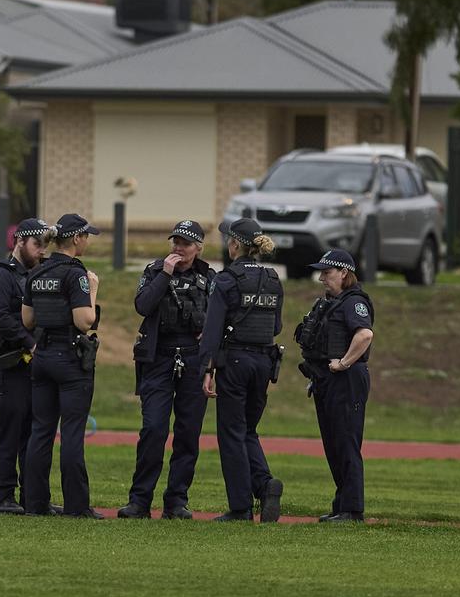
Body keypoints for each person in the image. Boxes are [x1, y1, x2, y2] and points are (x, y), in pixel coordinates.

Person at [117, 220, 214, 520]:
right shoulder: (153, 271)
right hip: (158, 358)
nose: (178, 248)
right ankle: (139, 500)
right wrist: (165, 274)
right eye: (175, 242)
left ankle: (176, 501)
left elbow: (221, 316)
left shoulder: (210, 277)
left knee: (187, 432)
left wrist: (208, 338)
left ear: (198, 247)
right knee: (154, 428)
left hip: (194, 359)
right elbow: (143, 306)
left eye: (185, 243)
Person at [199, 218, 285, 522]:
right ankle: (264, 484)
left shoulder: (226, 280)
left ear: (235, 244)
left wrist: (207, 369)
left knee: (231, 433)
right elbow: (276, 326)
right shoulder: (273, 279)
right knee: (248, 429)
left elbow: (212, 331)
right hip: (264, 362)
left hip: (235, 361)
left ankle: (240, 507)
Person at [21, 213, 104, 519]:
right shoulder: (76, 274)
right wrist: (93, 290)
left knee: (41, 431)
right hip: (70, 358)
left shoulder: (37, 272)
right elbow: (84, 321)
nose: (87, 241)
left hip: (42, 357)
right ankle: (76, 506)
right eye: (86, 236)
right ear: (76, 239)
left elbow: (27, 320)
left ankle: (36, 503)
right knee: (71, 433)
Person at [294, 249, 374, 523]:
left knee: (346, 442)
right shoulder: (333, 303)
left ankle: (352, 510)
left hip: (346, 379)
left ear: (343, 273)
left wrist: (344, 363)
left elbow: (364, 335)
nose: (321, 278)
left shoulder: (354, 303)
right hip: (327, 380)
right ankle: (342, 505)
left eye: (326, 273)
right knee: (333, 443)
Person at [0, 217, 51, 515]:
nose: (41, 251)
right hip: (11, 363)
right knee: (9, 430)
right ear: (20, 241)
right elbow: (0, 319)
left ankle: (34, 496)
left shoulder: (41, 275)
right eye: (37, 244)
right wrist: (30, 342)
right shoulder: (0, 277)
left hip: (38, 365)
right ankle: (4, 494)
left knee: (34, 432)